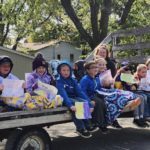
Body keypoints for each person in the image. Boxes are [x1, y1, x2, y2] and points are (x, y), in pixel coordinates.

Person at [80, 61, 137, 133]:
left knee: (112, 95)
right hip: (90, 96)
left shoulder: (97, 78)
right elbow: (82, 93)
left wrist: (106, 92)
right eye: (93, 68)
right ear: (87, 70)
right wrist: (89, 101)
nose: (96, 69)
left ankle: (125, 103)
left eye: (96, 67)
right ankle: (99, 124)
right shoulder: (85, 79)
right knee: (100, 102)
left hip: (98, 94)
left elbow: (99, 88)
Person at [56, 60, 98, 138]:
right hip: (64, 99)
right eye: (64, 70)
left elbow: (80, 92)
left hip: (74, 97)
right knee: (76, 103)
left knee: (84, 101)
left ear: (71, 71)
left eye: (68, 70)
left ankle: (87, 125)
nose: (66, 72)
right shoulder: (59, 81)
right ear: (59, 71)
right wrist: (70, 105)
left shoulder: (73, 81)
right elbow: (63, 95)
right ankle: (80, 128)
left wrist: (90, 105)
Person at [115, 62, 149, 128]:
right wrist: (127, 85)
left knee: (141, 97)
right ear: (121, 70)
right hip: (122, 95)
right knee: (137, 98)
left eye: (129, 69)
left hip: (130, 93)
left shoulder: (130, 77)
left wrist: (135, 84)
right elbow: (119, 89)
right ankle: (136, 117)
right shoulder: (118, 77)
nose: (128, 71)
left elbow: (133, 89)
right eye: (126, 69)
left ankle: (141, 117)